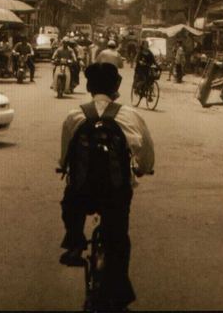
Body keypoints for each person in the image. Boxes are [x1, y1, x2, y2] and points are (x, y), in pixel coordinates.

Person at [59, 63, 154, 311]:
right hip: (116, 193)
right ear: (116, 88)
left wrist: (63, 167)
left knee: (70, 202)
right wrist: (143, 169)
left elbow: (65, 156)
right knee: (119, 238)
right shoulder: (131, 115)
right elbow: (146, 155)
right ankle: (119, 295)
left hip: (83, 192)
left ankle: (75, 241)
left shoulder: (75, 115)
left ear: (89, 87)